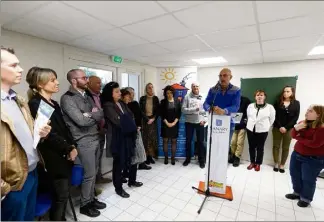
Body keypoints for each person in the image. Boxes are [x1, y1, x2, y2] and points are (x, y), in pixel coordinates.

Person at [1, 47, 51, 221]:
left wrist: (40, 133)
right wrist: (4, 188)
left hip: (32, 172)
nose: (21, 69)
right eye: (14, 65)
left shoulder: (19, 100)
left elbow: (27, 138)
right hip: (13, 184)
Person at [26, 67, 78, 221]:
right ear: (40, 84)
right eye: (52, 80)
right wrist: (68, 148)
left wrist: (72, 146)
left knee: (63, 194)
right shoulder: (36, 104)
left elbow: (63, 128)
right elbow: (48, 135)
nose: (57, 83)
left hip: (63, 152)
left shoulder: (53, 103)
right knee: (60, 196)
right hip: (53, 157)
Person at [60, 69, 106, 217]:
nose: (87, 80)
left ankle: (91, 199)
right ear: (74, 81)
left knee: (94, 171)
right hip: (83, 140)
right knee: (89, 174)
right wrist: (90, 115)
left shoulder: (86, 95)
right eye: (84, 78)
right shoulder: (67, 98)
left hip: (95, 136)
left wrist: (90, 115)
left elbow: (100, 113)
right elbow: (81, 121)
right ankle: (85, 205)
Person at [101, 82, 138, 198]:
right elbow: (118, 122)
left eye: (119, 91)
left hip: (128, 136)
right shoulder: (108, 105)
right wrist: (126, 120)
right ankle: (118, 188)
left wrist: (125, 119)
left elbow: (131, 115)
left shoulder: (121, 103)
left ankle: (131, 181)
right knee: (118, 163)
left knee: (130, 159)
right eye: (116, 91)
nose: (120, 93)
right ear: (110, 94)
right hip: (117, 138)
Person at [285, 105, 324, 208]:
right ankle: (297, 193)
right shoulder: (303, 123)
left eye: (310, 111)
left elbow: (315, 144)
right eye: (307, 110)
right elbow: (293, 135)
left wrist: (299, 138)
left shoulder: (321, 128)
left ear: (318, 115)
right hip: (297, 154)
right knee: (295, 174)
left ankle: (306, 198)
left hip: (313, 159)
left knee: (308, 179)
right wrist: (295, 129)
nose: (306, 112)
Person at [203, 68, 241, 152]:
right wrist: (210, 108)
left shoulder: (236, 90)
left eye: (224, 75)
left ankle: (222, 164)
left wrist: (224, 111)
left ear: (230, 77)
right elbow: (205, 103)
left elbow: (236, 106)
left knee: (224, 147)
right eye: (220, 76)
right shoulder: (213, 90)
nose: (222, 78)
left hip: (228, 123)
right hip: (214, 123)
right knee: (213, 147)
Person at [86, 75, 112, 184]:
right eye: (97, 83)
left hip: (102, 131)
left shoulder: (99, 96)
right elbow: (88, 115)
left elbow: (103, 113)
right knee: (92, 160)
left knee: (99, 156)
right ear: (89, 83)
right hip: (92, 133)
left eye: (100, 83)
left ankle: (99, 177)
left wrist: (104, 127)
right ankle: (91, 183)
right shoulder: (86, 97)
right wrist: (97, 128)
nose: (100, 85)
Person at [246, 90, 276, 171]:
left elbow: (272, 119)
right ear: (255, 97)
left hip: (263, 130)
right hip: (250, 129)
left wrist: (267, 126)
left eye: (261, 95)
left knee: (260, 148)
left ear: (264, 97)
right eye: (257, 95)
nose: (259, 96)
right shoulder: (250, 106)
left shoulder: (270, 107)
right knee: (251, 147)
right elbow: (248, 116)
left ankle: (258, 163)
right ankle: (252, 162)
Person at [273, 86, 300, 173]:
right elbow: (274, 115)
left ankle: (282, 165)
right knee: (276, 146)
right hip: (277, 127)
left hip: (289, 129)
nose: (285, 93)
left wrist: (286, 127)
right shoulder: (278, 102)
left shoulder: (296, 103)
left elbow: (295, 117)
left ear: (292, 92)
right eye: (284, 91)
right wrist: (280, 126)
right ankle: (276, 163)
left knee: (285, 147)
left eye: (288, 91)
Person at [120, 89, 143, 187]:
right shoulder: (120, 106)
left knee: (134, 158)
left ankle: (132, 180)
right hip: (126, 136)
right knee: (131, 158)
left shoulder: (126, 105)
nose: (130, 97)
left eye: (131, 95)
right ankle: (129, 179)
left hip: (132, 134)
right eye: (128, 95)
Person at [182, 82, 207, 168]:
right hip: (189, 122)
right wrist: (194, 109)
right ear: (191, 88)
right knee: (188, 142)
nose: (195, 88)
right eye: (194, 86)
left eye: (197, 86)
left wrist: (205, 120)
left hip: (200, 122)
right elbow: (183, 110)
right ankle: (188, 159)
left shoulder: (203, 96)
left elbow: (207, 110)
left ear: (199, 87)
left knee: (200, 142)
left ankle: (201, 160)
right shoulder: (187, 97)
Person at [125, 87, 151, 170]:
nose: (133, 95)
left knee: (140, 147)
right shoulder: (124, 104)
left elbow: (140, 113)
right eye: (131, 93)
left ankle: (141, 164)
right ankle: (131, 166)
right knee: (134, 148)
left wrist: (147, 119)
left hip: (139, 128)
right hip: (131, 129)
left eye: (133, 93)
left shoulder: (135, 103)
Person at [160, 85, 182, 165]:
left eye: (170, 93)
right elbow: (161, 114)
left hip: (174, 124)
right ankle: (166, 158)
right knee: (165, 141)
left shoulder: (177, 101)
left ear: (173, 93)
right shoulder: (163, 102)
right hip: (165, 124)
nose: (169, 94)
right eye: (167, 93)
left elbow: (179, 114)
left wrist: (173, 123)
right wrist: (167, 123)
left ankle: (172, 158)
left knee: (174, 141)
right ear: (165, 94)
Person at [139, 83, 160, 164]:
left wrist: (153, 118)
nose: (151, 89)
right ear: (146, 89)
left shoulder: (155, 98)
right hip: (145, 121)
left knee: (152, 139)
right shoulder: (142, 98)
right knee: (145, 139)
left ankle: (151, 156)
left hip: (153, 121)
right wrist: (147, 119)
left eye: (152, 87)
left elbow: (158, 110)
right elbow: (140, 110)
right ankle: (146, 157)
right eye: (149, 88)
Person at [229, 96, 251, 167]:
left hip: (243, 125)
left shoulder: (246, 100)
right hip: (234, 123)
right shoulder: (232, 99)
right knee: (233, 142)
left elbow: (249, 112)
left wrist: (245, 121)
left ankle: (237, 157)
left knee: (240, 142)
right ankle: (232, 155)